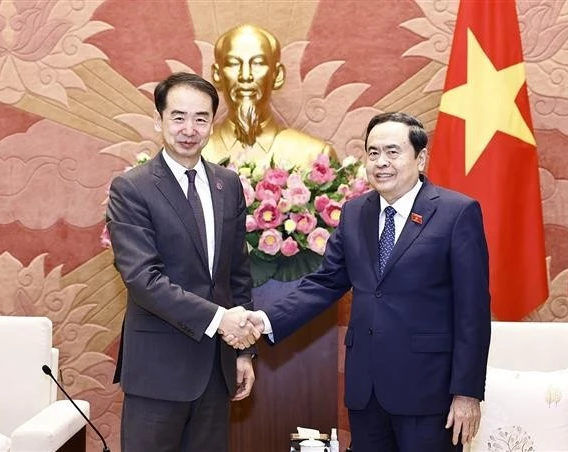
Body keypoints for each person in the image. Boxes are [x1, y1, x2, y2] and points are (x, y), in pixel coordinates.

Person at [234, 112, 491, 451]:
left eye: (392, 152)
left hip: (429, 393)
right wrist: (264, 320)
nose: (381, 162)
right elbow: (325, 283)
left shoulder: (456, 213)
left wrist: (467, 392)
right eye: (373, 153)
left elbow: (473, 311)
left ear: (421, 157)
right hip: (366, 391)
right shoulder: (356, 213)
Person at [106, 72, 260, 452]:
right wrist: (218, 320)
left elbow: (237, 274)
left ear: (212, 123)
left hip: (215, 369)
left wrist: (243, 351)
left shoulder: (228, 184)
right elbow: (142, 278)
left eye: (200, 118)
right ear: (158, 120)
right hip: (158, 370)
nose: (189, 129)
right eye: (178, 117)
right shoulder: (132, 188)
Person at [203, 24, 336, 168]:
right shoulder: (195, 155)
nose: (246, 76)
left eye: (258, 63)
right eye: (233, 64)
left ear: (277, 75)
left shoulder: (314, 156)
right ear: (217, 75)